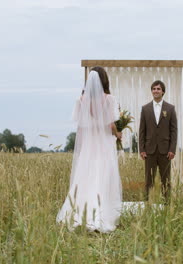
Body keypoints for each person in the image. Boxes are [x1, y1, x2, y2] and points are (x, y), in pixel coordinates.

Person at [56, 66, 123, 233]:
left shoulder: (81, 100)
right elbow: (111, 124)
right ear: (104, 80)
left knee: (85, 178)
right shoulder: (110, 100)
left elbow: (81, 127)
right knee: (103, 177)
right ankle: (100, 215)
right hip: (104, 146)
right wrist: (118, 134)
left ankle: (78, 213)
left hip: (88, 145)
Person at [139, 80, 177, 202]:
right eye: (154, 89)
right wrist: (142, 149)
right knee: (148, 180)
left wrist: (172, 149)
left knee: (166, 180)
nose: (156, 91)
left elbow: (174, 131)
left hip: (165, 151)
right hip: (149, 151)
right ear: (151, 91)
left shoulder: (170, 109)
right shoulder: (145, 109)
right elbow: (142, 131)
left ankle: (167, 205)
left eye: (158, 89)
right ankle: (147, 204)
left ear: (163, 92)